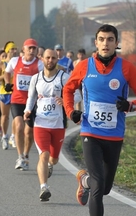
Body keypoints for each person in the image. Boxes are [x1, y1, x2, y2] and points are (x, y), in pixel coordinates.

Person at [63, 24, 136, 216]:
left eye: (110, 39)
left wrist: (129, 106)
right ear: (96, 42)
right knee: (99, 187)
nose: (105, 43)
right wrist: (71, 111)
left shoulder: (127, 68)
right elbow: (68, 90)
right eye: (101, 39)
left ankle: (83, 179)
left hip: (114, 135)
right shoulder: (84, 67)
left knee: (106, 187)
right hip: (90, 133)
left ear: (116, 43)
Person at [24, 48, 81, 201]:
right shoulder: (36, 78)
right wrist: (28, 110)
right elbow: (31, 97)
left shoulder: (64, 77)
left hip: (58, 124)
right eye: (47, 58)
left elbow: (77, 94)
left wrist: (66, 101)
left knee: (54, 159)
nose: (50, 61)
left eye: (53, 58)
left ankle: (50, 166)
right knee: (44, 154)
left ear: (57, 59)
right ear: (41, 58)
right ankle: (44, 187)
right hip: (40, 123)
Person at [4, 38, 43, 170]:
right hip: (17, 100)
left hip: (32, 102)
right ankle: (20, 157)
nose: (32, 51)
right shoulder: (15, 61)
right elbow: (7, 72)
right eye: (29, 48)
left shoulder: (39, 64)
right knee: (19, 127)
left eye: (34, 48)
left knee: (29, 132)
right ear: (23, 49)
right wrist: (8, 83)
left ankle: (26, 155)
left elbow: (45, 78)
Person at [0, 41, 18, 150]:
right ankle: (4, 136)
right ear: (7, 51)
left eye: (15, 49)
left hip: (16, 92)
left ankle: (13, 136)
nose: (14, 51)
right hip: (4, 92)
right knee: (5, 116)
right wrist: (4, 76)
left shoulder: (18, 62)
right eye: (12, 49)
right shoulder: (2, 63)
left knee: (16, 116)